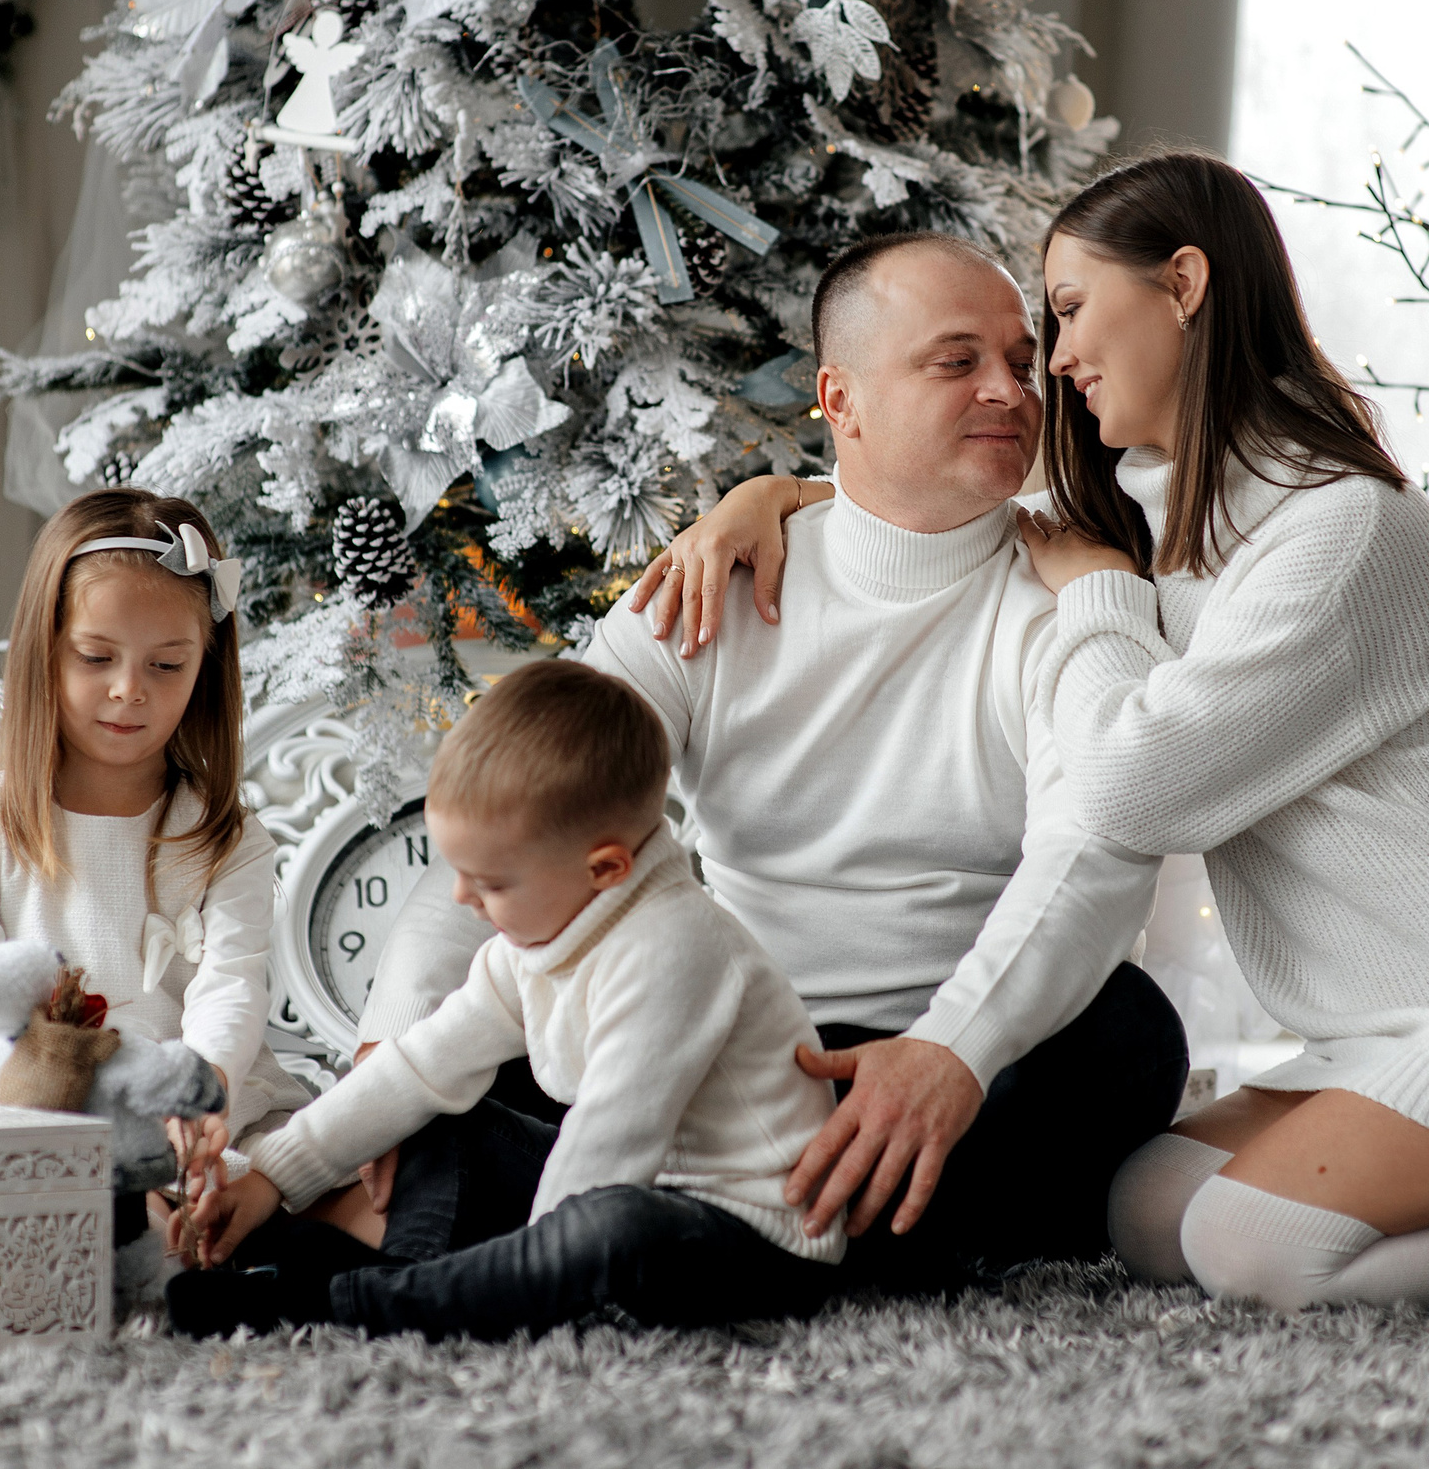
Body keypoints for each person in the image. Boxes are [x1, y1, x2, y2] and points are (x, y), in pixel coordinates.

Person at [663, 151, 1429, 1311]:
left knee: (1259, 1248)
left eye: (1067, 310)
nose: (1053, 362)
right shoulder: (1170, 514)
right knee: (1147, 1211)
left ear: (1184, 283)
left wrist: (1097, 591)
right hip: (1397, 1033)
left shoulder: (1338, 533)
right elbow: (911, 487)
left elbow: (1135, 789)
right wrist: (766, 499)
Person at [358, 231, 1181, 1287]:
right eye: (955, 360)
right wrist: (387, 1051)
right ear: (840, 401)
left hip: (948, 1067)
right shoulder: (715, 583)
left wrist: (949, 1053)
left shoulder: (1066, 596)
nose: (1009, 390)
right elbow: (514, 816)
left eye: (1020, 361)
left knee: (1126, 1034)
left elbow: (1095, 854)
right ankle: (752, 1241)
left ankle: (656, 1232)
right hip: (721, 1061)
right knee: (505, 1023)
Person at [165, 661, 845, 1341]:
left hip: (753, 1237)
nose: (462, 898)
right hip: (634, 1186)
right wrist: (272, 1178)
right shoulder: (533, 939)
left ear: (605, 867)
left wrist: (539, 1268)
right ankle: (407, 1279)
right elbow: (417, 1065)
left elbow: (605, 1150)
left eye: (489, 883)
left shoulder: (676, 947)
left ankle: (356, 1300)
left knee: (605, 1229)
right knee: (433, 1117)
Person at [0, 488, 308, 1257]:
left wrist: (202, 1099)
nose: (131, 689)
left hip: (199, 1106)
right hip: (40, 1108)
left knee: (312, 1178)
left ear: (204, 665)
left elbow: (230, 986)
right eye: (97, 658)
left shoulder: (228, 837)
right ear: (45, 649)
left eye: (167, 664)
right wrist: (32, 1110)